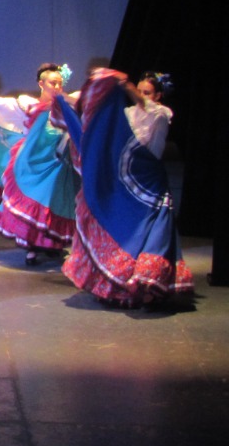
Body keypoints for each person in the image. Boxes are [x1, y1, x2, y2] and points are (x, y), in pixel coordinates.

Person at [59, 69, 193, 307]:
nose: (141, 95)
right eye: (140, 90)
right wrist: (64, 98)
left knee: (154, 233)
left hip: (149, 182)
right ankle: (123, 286)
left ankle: (150, 285)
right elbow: (106, 125)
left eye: (147, 92)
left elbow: (146, 122)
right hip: (127, 180)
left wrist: (128, 88)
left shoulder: (161, 113)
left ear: (158, 95)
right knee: (126, 230)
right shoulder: (128, 113)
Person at [0, 63, 80, 266]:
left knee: (53, 203)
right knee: (34, 204)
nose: (57, 87)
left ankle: (52, 245)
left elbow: (83, 102)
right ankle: (32, 246)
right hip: (32, 165)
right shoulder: (29, 105)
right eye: (52, 83)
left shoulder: (67, 106)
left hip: (57, 165)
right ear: (41, 84)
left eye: (59, 83)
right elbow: (4, 105)